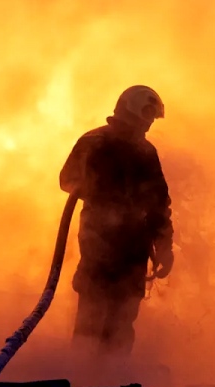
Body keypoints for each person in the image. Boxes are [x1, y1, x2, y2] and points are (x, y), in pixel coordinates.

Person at [59, 85, 174, 357]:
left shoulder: (145, 151)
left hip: (133, 249)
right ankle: (83, 381)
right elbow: (67, 180)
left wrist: (164, 246)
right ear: (131, 108)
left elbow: (159, 204)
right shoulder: (95, 142)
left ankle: (112, 377)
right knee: (92, 316)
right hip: (99, 243)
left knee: (122, 321)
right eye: (146, 114)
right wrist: (99, 193)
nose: (148, 123)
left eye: (152, 117)